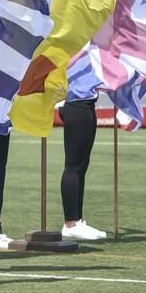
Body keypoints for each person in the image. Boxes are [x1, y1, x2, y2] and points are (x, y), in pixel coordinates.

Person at [59, 98, 107, 241]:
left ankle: (77, 220)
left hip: (86, 105)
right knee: (73, 166)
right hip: (77, 104)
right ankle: (70, 223)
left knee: (80, 167)